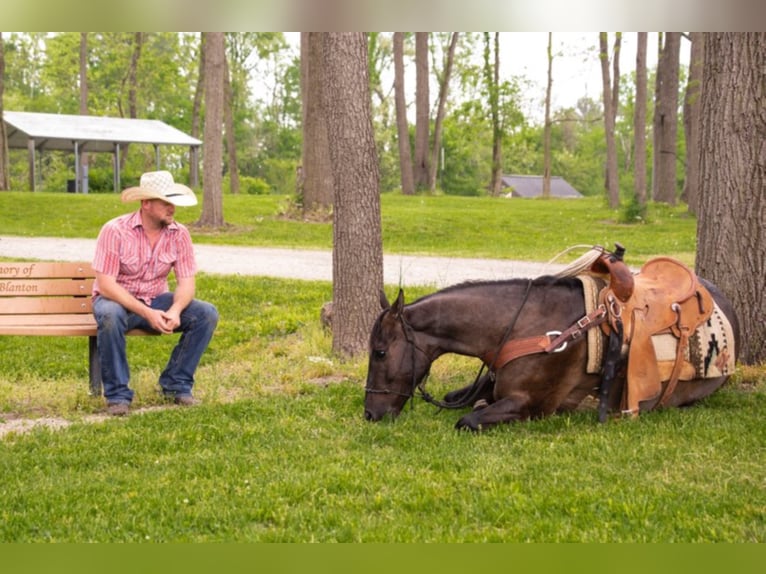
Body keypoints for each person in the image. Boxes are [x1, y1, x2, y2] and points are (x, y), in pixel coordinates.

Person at [91, 170, 219, 416]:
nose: (172, 208)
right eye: (165, 202)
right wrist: (147, 313)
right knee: (109, 315)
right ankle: (118, 396)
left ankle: (176, 384)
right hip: (117, 300)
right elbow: (106, 285)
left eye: (173, 202)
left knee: (206, 313)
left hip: (156, 299)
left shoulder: (179, 234)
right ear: (146, 203)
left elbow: (186, 283)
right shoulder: (115, 230)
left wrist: (175, 309)